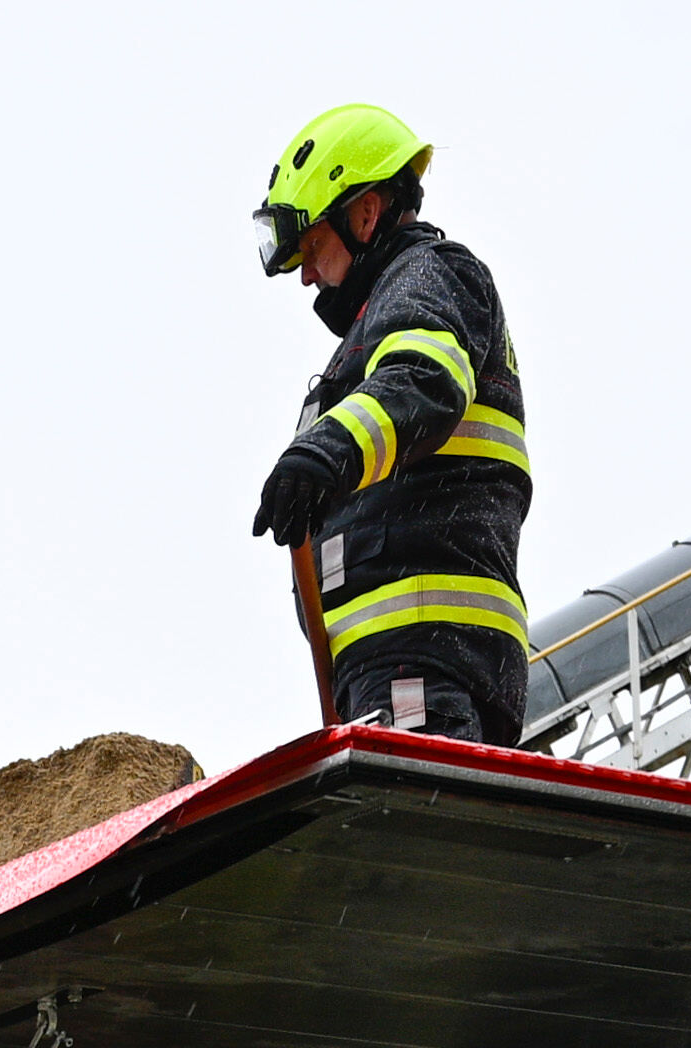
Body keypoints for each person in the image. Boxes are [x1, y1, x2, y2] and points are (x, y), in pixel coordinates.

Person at [245, 105, 533, 742]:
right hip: (398, 663)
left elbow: (423, 379)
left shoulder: (430, 275)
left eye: (312, 247)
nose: (307, 275)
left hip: (422, 653)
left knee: (419, 810)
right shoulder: (378, 322)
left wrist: (326, 450)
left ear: (366, 214)